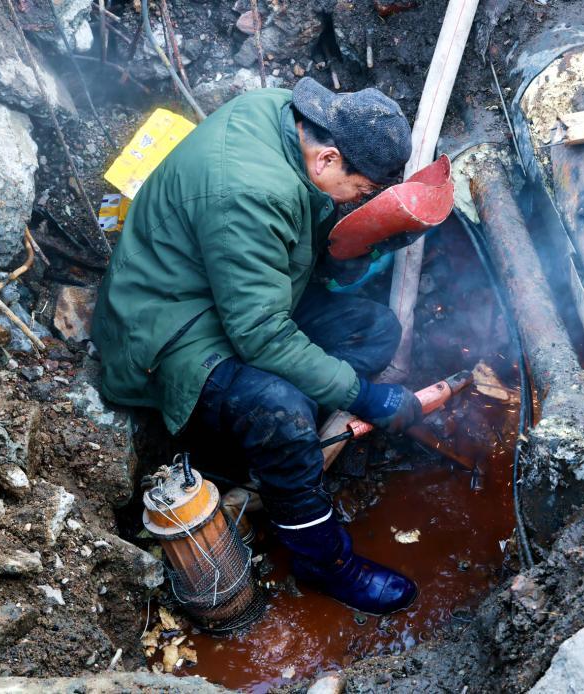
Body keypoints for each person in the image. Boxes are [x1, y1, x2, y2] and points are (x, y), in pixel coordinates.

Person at [92, 77, 422, 615]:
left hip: (234, 295)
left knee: (374, 329)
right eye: (362, 190)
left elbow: (279, 264)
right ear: (328, 159)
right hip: (170, 330)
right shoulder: (249, 191)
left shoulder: (285, 116)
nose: (361, 201)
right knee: (281, 413)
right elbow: (261, 332)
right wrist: (362, 396)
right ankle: (324, 562)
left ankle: (274, 454)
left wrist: (361, 243)